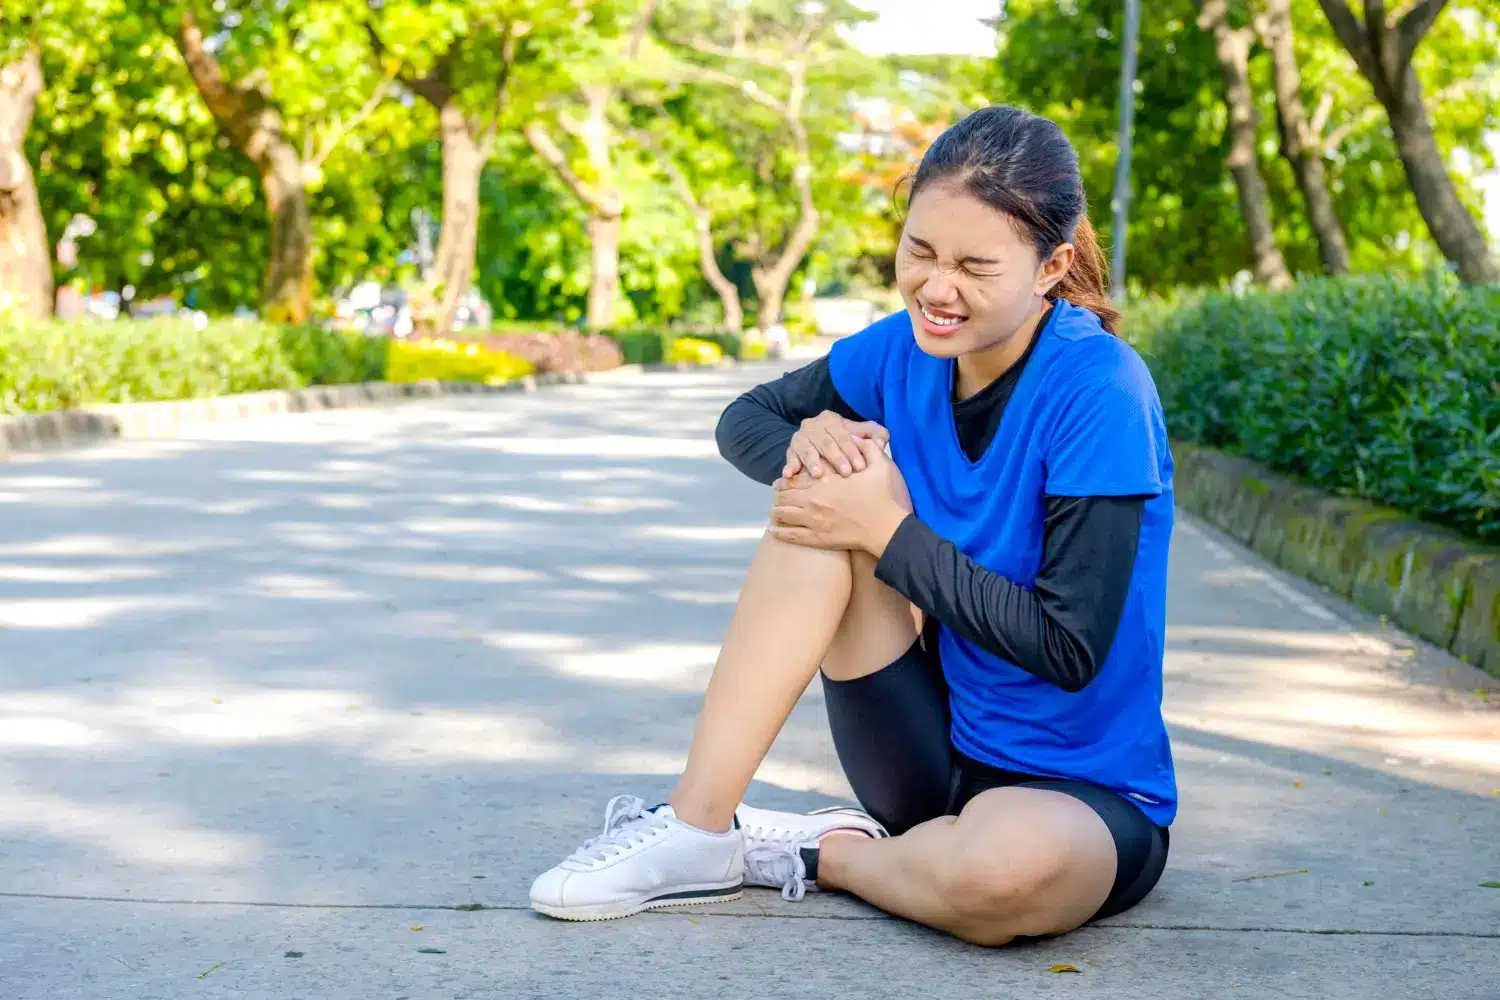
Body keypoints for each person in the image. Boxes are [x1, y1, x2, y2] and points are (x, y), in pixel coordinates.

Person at [529, 104, 1176, 947]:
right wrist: (813, 439)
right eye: (921, 253)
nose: (938, 289)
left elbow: (1070, 648)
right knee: (823, 494)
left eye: (976, 266)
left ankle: (810, 853)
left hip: (1078, 797)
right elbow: (745, 418)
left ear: (1052, 267)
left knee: (997, 879)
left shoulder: (1100, 389)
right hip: (925, 758)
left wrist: (888, 527)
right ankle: (696, 826)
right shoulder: (898, 351)